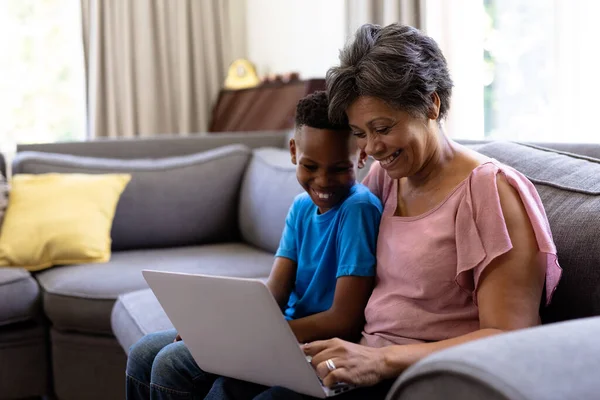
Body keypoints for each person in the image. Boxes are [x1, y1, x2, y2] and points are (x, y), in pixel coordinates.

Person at [243, 23, 563, 400]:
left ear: (432, 104)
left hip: (422, 375)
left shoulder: (491, 192)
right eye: (360, 133)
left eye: (382, 127)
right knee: (202, 370)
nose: (372, 148)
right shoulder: (388, 177)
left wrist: (381, 361)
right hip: (357, 358)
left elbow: (510, 336)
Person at [125, 91, 383, 399]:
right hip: (279, 334)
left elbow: (344, 319)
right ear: (293, 152)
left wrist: (251, 336)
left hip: (312, 342)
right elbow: (274, 293)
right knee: (143, 353)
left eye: (340, 168)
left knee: (172, 365)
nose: (323, 181)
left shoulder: (358, 210)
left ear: (362, 156)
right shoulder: (301, 207)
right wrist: (216, 325)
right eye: (311, 166)